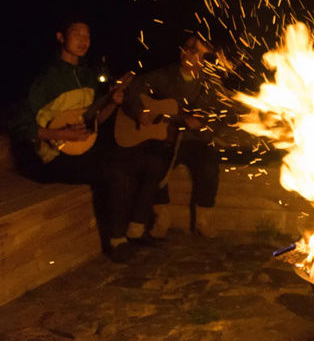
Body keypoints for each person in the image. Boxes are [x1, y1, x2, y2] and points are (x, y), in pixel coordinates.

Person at [10, 18, 164, 263]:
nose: (84, 41)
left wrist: (113, 103)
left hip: (82, 148)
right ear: (61, 37)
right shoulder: (45, 79)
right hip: (53, 156)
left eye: (87, 36)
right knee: (115, 171)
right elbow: (19, 124)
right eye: (77, 34)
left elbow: (95, 121)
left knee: (150, 162)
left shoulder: (87, 75)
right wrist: (61, 135)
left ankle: (137, 228)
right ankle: (116, 241)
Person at [121, 34, 231, 236]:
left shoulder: (210, 84)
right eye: (186, 47)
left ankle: (203, 220)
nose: (187, 52)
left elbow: (221, 116)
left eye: (194, 50)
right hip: (167, 137)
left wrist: (203, 125)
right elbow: (133, 88)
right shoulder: (165, 75)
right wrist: (139, 112)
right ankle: (162, 216)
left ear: (204, 58)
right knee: (156, 164)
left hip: (196, 140)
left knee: (209, 165)